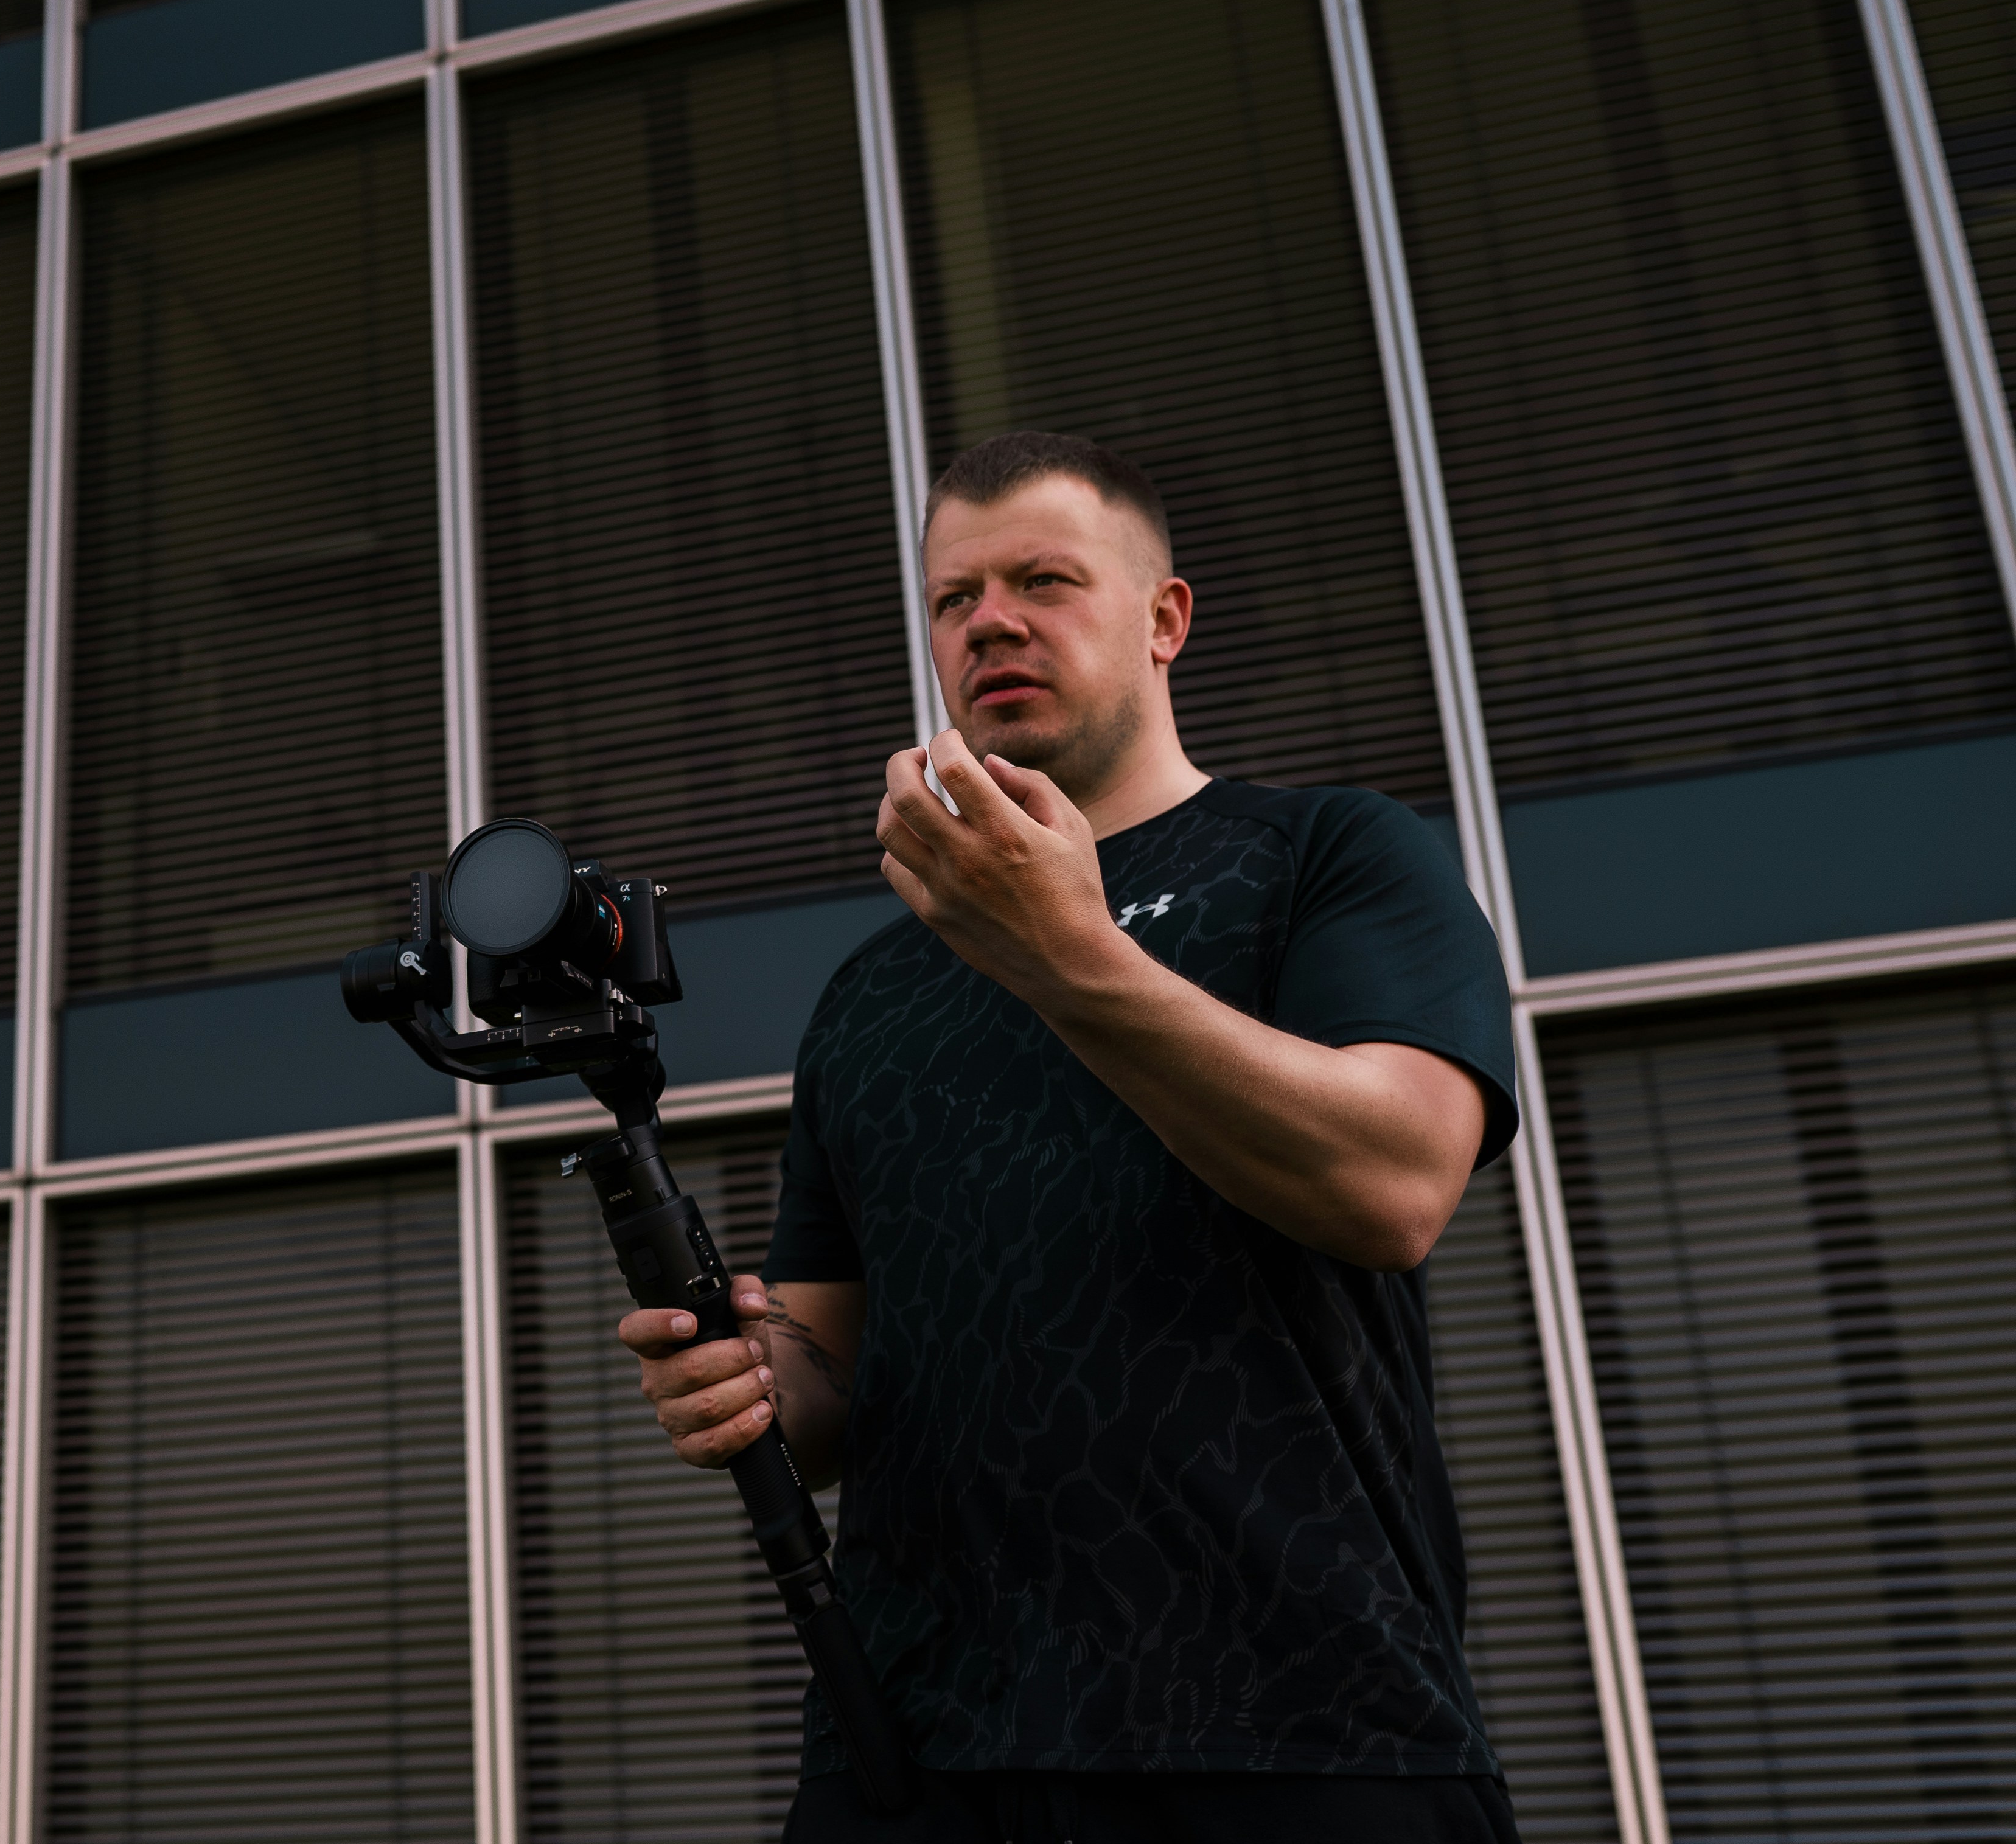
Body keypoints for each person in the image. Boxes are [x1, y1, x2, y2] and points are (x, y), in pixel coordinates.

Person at [624, 431, 1524, 1844]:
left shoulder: (1326, 853)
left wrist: (1067, 952)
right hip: (912, 1753)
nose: (992, 619)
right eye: (954, 596)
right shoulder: (876, 984)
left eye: (1045, 577)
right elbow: (828, 1385)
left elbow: (1397, 1182)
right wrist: (747, 1382)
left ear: (1166, 618)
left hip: (1301, 1728)